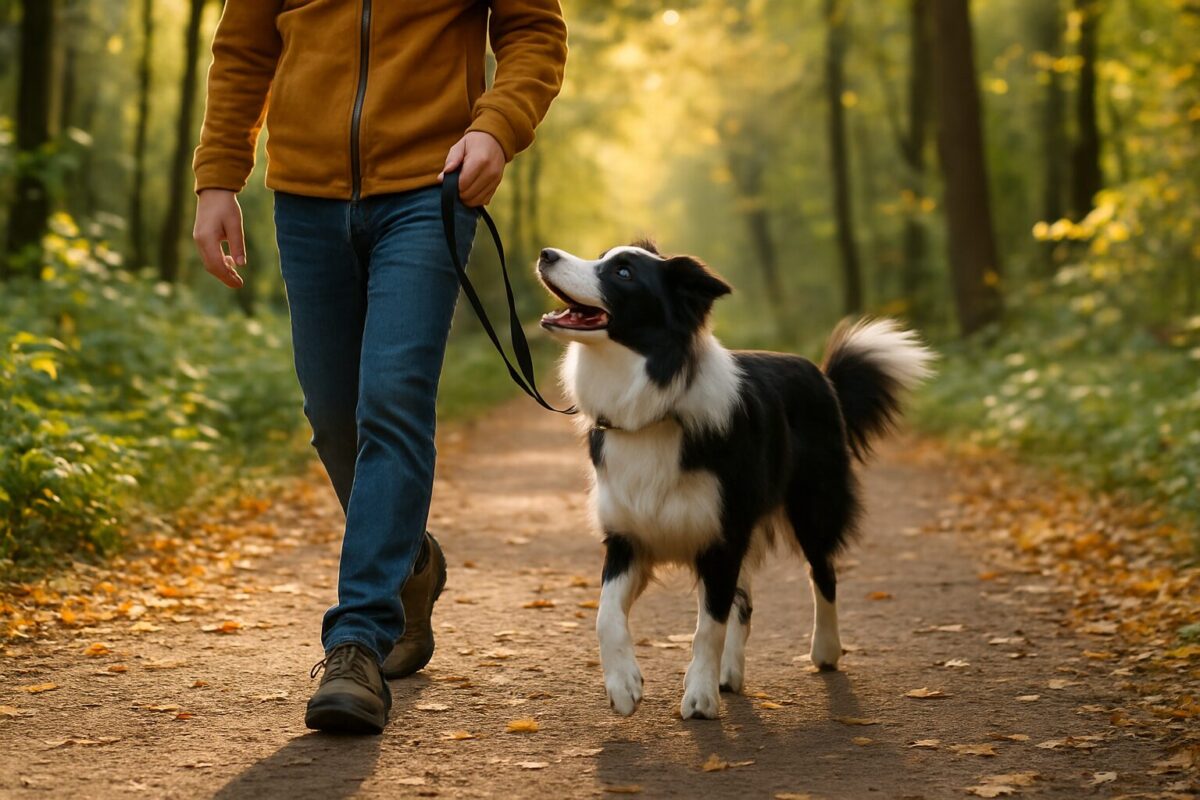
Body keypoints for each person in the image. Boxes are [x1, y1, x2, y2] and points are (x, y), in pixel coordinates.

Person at [190, 0, 568, 735]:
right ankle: (410, 561)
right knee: (333, 418)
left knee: (392, 400)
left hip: (431, 187)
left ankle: (357, 642)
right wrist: (218, 177)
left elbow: (534, 30)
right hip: (305, 196)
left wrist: (496, 126)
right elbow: (243, 48)